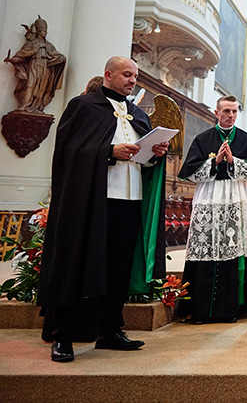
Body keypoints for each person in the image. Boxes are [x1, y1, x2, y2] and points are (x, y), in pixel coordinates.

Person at [38, 56, 169, 362]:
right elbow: (69, 151)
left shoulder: (138, 114)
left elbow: (143, 159)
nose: (132, 80)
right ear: (108, 75)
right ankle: (64, 336)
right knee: (78, 263)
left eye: (135, 76)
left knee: (118, 269)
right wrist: (109, 152)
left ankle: (109, 329)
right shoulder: (83, 107)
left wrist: (154, 154)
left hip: (130, 200)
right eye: (126, 74)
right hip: (91, 202)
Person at [177, 96, 247, 323]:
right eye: (226, 111)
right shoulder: (203, 139)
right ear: (217, 112)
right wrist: (214, 162)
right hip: (209, 199)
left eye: (234, 111)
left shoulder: (246, 140)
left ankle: (229, 310)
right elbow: (189, 172)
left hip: (234, 200)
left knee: (231, 253)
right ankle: (200, 310)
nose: (231, 115)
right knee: (205, 253)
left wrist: (234, 161)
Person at [4, 16, 66, 113]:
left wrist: (59, 59)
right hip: (34, 65)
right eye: (44, 31)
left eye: (46, 31)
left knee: (42, 88)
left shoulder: (49, 45)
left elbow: (59, 56)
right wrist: (12, 60)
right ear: (39, 31)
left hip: (46, 68)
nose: (46, 33)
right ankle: (25, 105)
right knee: (30, 85)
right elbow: (22, 55)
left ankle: (38, 107)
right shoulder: (32, 43)